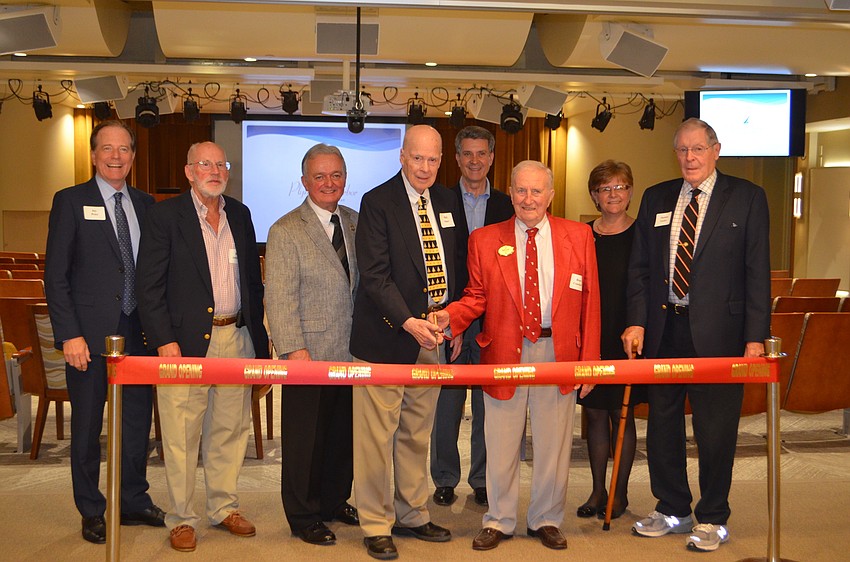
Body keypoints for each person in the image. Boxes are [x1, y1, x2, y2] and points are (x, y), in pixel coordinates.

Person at [432, 160, 601, 552]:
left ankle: (545, 518)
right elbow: (476, 297)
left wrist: (588, 361)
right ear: (511, 192)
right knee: (501, 440)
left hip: (557, 351)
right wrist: (448, 318)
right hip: (504, 350)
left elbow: (591, 303)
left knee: (553, 443)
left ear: (551, 195)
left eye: (536, 191)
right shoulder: (485, 239)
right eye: (521, 191)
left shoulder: (579, 236)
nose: (528, 199)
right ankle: (499, 519)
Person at [623, 118, 771, 553]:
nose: (689, 158)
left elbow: (756, 271)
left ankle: (712, 517)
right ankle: (672, 507)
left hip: (722, 336)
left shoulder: (746, 198)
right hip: (666, 331)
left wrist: (755, 336)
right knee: (663, 426)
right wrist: (637, 321)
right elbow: (640, 270)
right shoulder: (656, 198)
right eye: (682, 150)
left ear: (716, 150)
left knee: (715, 429)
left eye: (698, 150)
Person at [135, 141, 269, 553]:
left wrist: (260, 345)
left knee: (230, 431)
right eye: (205, 164)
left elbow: (252, 283)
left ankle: (223, 507)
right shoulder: (164, 216)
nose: (215, 170)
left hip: (236, 338)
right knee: (180, 434)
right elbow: (149, 285)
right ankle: (181, 517)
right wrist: (163, 341)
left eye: (220, 164)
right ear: (189, 171)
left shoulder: (241, 215)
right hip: (184, 345)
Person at [349, 124, 468, 560]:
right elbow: (375, 275)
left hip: (434, 335)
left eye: (433, 159)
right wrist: (408, 321)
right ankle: (377, 523)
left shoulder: (446, 199)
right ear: (402, 156)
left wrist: (449, 318)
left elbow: (453, 263)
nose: (425, 167)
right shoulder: (377, 202)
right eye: (417, 158)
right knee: (376, 438)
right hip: (387, 335)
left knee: (417, 433)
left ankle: (412, 512)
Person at [45, 120, 165, 544]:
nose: (117, 156)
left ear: (133, 156)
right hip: (89, 337)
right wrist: (69, 335)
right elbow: (55, 276)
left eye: (125, 149)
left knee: (136, 424)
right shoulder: (70, 201)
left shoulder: (148, 204)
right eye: (108, 149)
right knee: (87, 426)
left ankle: (132, 499)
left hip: (139, 334)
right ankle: (91, 509)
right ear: (94, 155)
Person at [265, 143, 360, 546]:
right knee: (307, 439)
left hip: (352, 352)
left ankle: (334, 500)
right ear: (304, 181)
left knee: (342, 435)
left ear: (345, 179)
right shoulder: (285, 230)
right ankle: (303, 515)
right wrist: (293, 351)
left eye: (336, 175)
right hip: (308, 353)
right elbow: (280, 297)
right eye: (319, 176)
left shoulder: (357, 222)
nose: (328, 183)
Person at [430, 126, 513, 509]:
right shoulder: (437, 200)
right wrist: (453, 318)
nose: (475, 161)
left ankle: (482, 479)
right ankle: (445, 478)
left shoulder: (509, 204)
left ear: (492, 157)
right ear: (457, 158)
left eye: (482, 153)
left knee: (487, 406)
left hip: (496, 321)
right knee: (446, 405)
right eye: (467, 154)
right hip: (450, 317)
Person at [576, 160, 647, 521]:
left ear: (630, 192)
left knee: (623, 416)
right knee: (594, 412)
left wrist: (638, 325)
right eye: (606, 189)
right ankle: (597, 490)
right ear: (595, 196)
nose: (613, 194)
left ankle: (618, 495)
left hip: (627, 336)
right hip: (589, 334)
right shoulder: (581, 233)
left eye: (620, 187)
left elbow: (647, 288)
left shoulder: (644, 234)